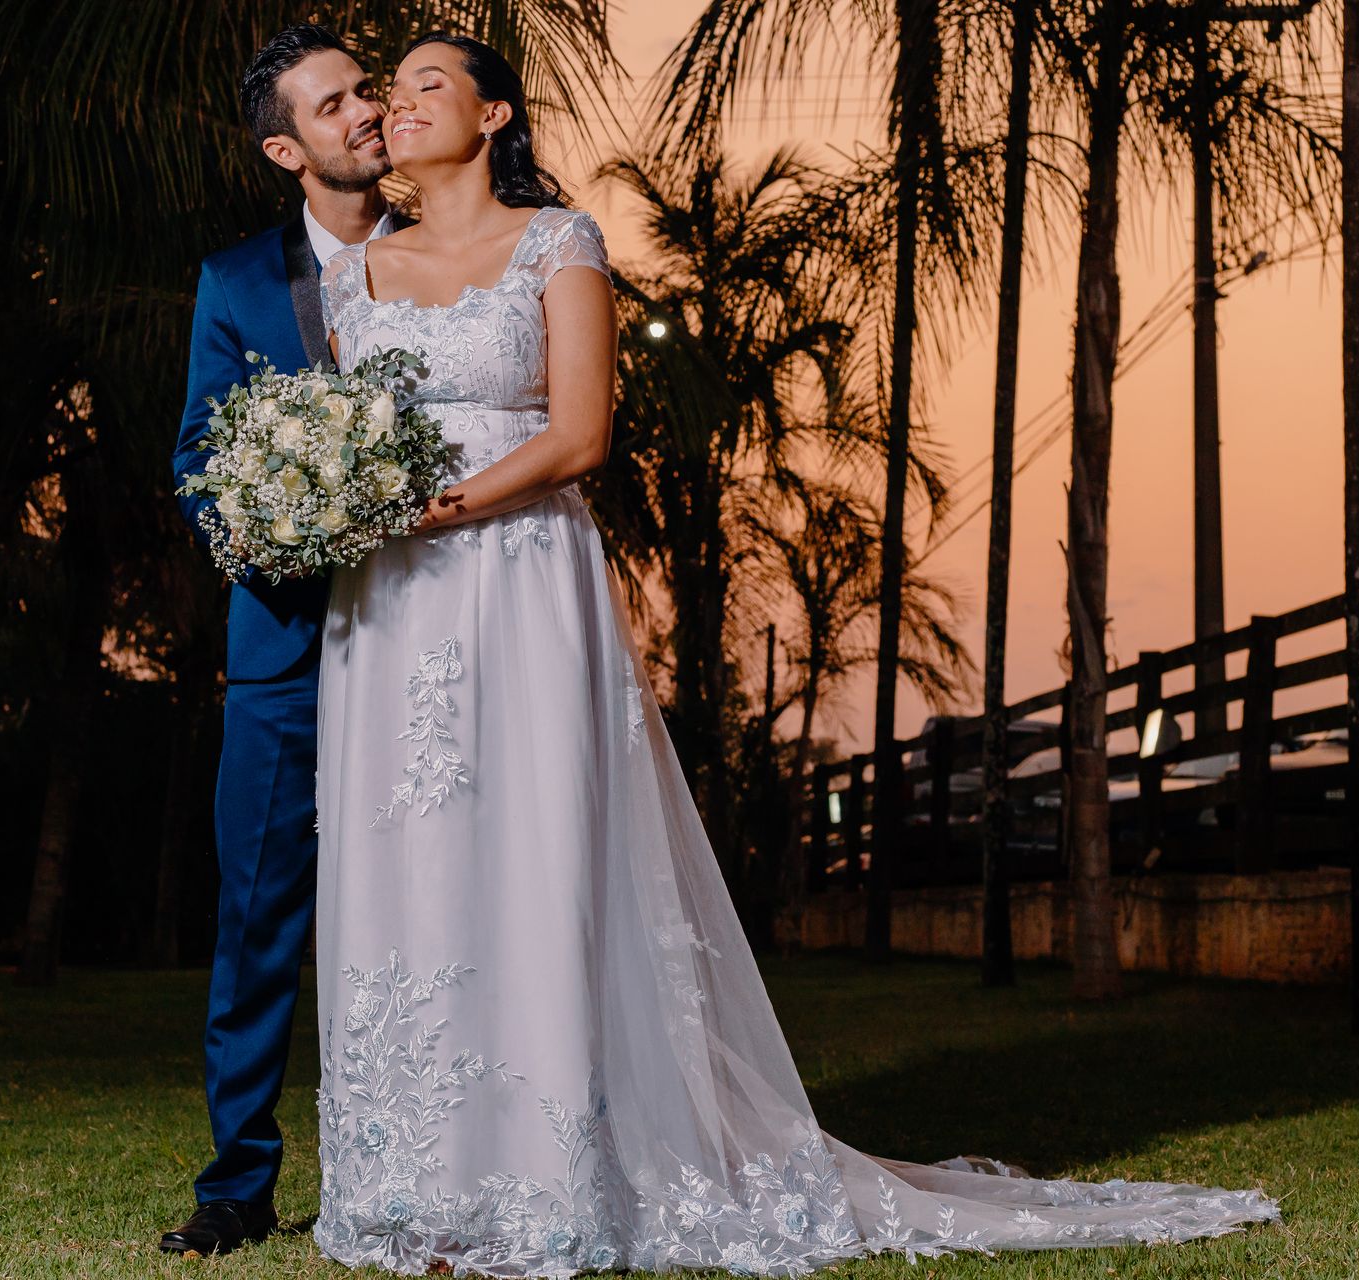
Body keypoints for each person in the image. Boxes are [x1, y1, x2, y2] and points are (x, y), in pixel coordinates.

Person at [309, 31, 1282, 1275]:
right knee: (411, 853)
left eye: (428, 83)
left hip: (518, 577)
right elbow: (347, 437)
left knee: (534, 847)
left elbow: (582, 434)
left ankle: (548, 1171)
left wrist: (450, 504)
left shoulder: (557, 245)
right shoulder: (357, 275)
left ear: (495, 114)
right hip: (391, 606)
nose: (397, 105)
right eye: (389, 90)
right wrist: (335, 503)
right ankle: (416, 1180)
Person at [162, 23, 408, 1259]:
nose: (366, 112)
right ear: (283, 147)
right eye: (335, 103)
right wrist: (277, 520)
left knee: (435, 907)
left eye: (369, 89)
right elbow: (199, 457)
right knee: (258, 916)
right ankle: (238, 1178)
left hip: (432, 639)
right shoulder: (238, 281)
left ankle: (433, 1154)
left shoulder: (454, 253)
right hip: (284, 652)